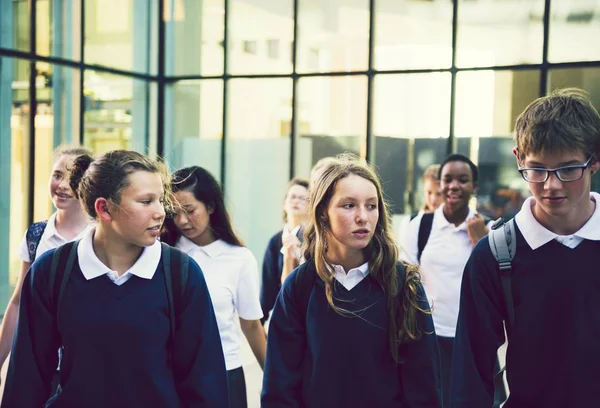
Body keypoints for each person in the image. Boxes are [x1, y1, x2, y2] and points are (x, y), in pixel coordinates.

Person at [1, 150, 228, 408]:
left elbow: (205, 386)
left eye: (159, 200)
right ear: (104, 208)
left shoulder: (182, 273)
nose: (161, 212)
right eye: (146, 201)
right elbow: (26, 382)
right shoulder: (52, 271)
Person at [450, 88, 600, 407]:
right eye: (537, 169)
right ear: (519, 158)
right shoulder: (495, 254)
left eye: (569, 169)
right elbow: (470, 371)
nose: (552, 185)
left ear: (595, 161)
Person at [261, 154, 441, 408]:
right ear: (323, 212)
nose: (363, 217)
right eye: (348, 205)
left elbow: (424, 387)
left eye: (371, 205)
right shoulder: (299, 287)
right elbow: (279, 388)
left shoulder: (403, 285)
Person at [162, 166, 266, 408]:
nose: (182, 221)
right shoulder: (163, 254)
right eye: (175, 213)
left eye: (189, 211)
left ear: (210, 206)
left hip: (224, 373)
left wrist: (273, 379)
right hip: (172, 375)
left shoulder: (239, 258)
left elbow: (251, 325)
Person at [401, 153, 493, 408]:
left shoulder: (490, 230)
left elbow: (492, 286)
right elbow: (404, 277)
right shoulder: (420, 226)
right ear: (439, 184)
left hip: (471, 340)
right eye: (447, 179)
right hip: (428, 336)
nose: (454, 186)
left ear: (474, 187)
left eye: (463, 180)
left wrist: (480, 241)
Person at [0, 146, 95, 377]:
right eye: (57, 175)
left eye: (72, 177)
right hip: (38, 364)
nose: (62, 185)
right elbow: (19, 302)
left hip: (85, 367)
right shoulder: (37, 234)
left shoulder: (101, 236)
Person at [260, 178, 309, 325]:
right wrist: (262, 322)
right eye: (292, 197)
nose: (296, 201)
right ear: (284, 203)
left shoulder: (312, 239)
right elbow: (267, 287)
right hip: (279, 315)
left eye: (302, 198)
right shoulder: (275, 241)